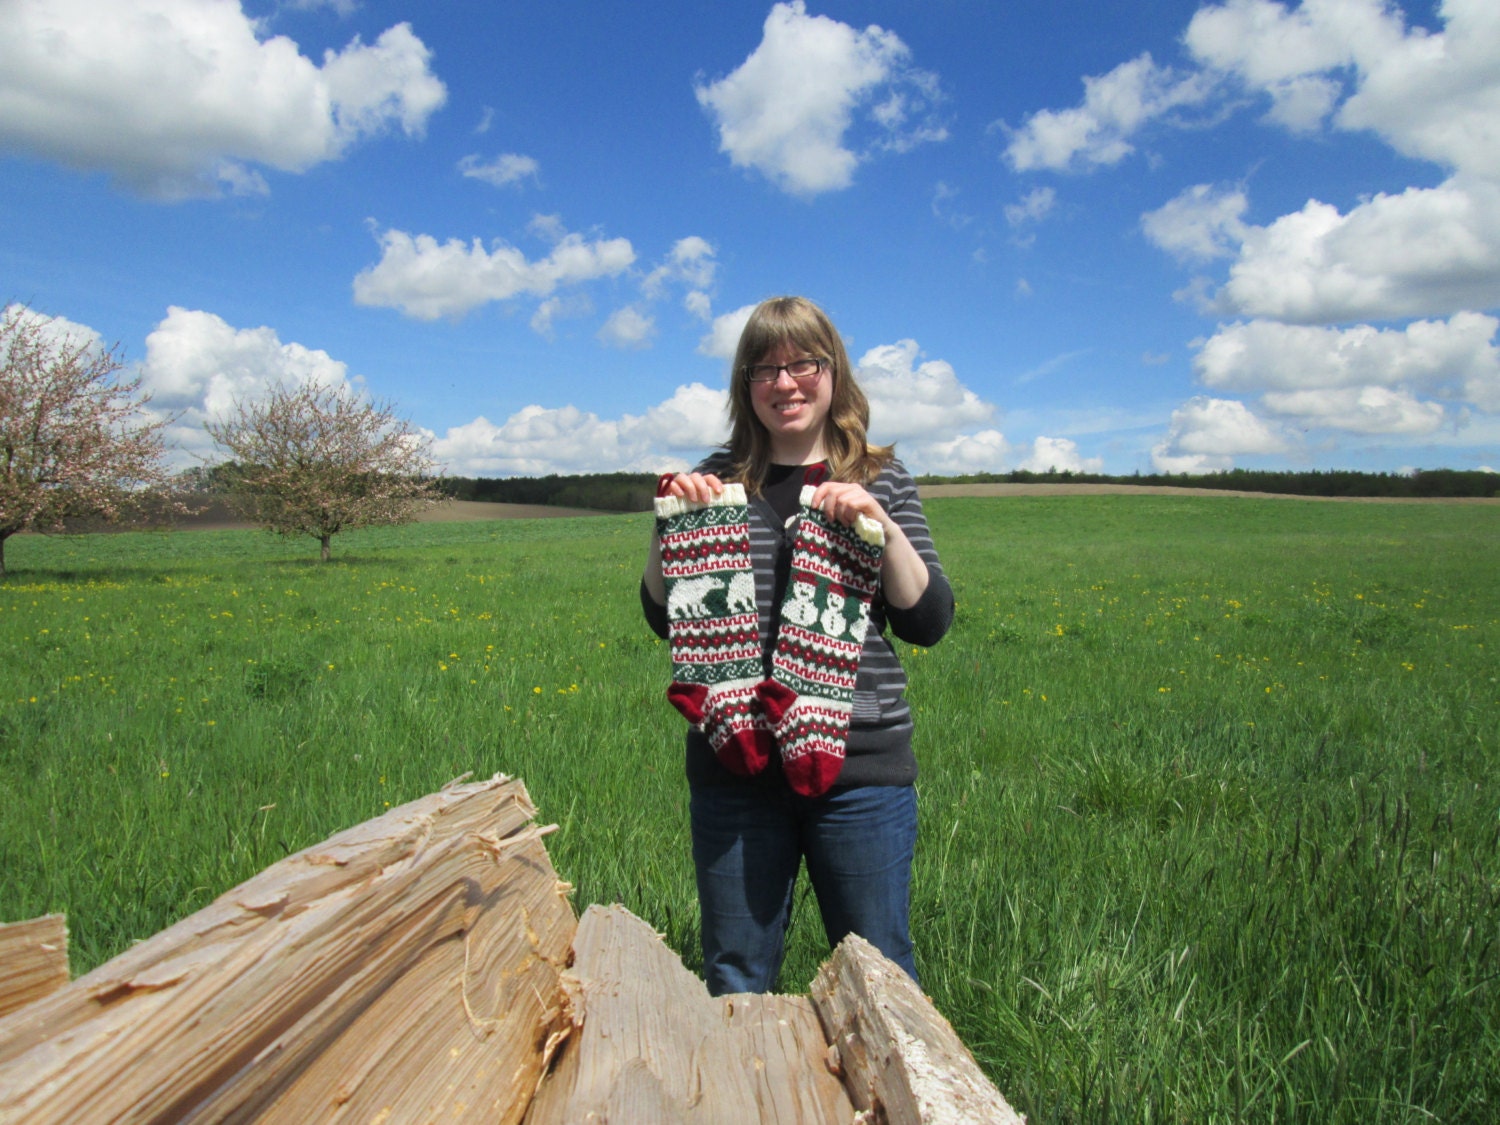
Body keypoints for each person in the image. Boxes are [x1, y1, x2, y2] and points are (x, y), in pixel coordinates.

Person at [641, 295, 954, 996]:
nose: (784, 383)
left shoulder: (880, 478)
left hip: (862, 766)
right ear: (744, 385)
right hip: (735, 762)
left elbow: (928, 620)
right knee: (736, 976)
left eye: (802, 364)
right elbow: (662, 617)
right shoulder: (716, 479)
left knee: (881, 977)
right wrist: (674, 529)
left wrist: (881, 526)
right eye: (764, 368)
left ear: (832, 372)